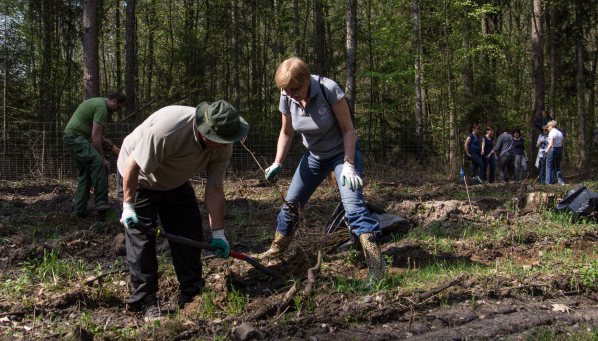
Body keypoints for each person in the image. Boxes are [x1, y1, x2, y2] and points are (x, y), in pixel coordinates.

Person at [117, 101, 249, 321]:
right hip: (140, 180)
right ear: (207, 133)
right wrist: (128, 207)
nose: (227, 145)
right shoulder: (170, 129)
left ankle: (191, 293)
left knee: (188, 231)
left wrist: (218, 233)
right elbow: (132, 164)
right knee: (142, 239)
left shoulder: (224, 143)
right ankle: (146, 301)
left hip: (175, 182)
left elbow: (215, 188)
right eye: (222, 141)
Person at [263, 57, 385, 285]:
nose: (290, 94)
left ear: (307, 80)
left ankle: (377, 268)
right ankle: (275, 252)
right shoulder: (287, 96)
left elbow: (349, 130)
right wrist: (278, 162)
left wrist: (349, 164)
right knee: (290, 205)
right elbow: (287, 132)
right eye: (285, 90)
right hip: (314, 156)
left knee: (354, 208)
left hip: (342, 154)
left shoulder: (329, 90)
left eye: (295, 89)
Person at [63, 92, 127, 218]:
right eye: (119, 107)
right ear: (114, 101)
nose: (118, 111)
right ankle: (102, 204)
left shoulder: (97, 103)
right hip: (76, 138)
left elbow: (95, 133)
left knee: (85, 175)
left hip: (73, 137)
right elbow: (95, 135)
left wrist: (105, 141)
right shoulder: (101, 108)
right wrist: (103, 158)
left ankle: (79, 211)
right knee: (99, 163)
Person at [544, 120, 565, 185]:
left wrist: (546, 151)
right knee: (557, 167)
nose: (547, 128)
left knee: (549, 166)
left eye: (548, 126)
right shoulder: (560, 133)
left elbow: (551, 143)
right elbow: (562, 144)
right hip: (559, 150)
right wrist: (562, 151)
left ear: (552, 126)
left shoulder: (552, 133)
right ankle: (561, 182)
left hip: (553, 149)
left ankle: (548, 182)